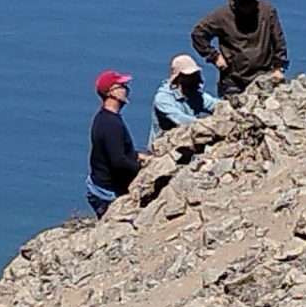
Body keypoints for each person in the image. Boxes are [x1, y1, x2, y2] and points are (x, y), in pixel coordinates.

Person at [192, 0, 287, 100]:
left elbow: (278, 40)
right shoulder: (222, 16)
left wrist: (279, 68)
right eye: (242, 3)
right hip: (233, 80)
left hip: (265, 75)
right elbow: (198, 34)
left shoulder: (267, 12)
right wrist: (214, 57)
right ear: (234, 2)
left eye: (250, 2)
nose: (247, 7)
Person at [86, 71, 141, 215]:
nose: (126, 90)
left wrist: (137, 155)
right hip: (108, 193)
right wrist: (141, 168)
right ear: (111, 92)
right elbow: (118, 161)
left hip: (99, 187)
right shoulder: (112, 125)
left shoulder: (103, 118)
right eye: (122, 86)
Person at [151, 53, 215, 141]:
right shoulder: (163, 98)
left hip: (191, 139)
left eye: (195, 74)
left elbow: (213, 104)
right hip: (165, 146)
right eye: (189, 76)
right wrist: (207, 124)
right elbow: (180, 118)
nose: (194, 78)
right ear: (178, 77)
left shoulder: (194, 94)